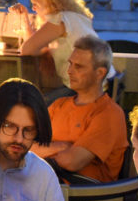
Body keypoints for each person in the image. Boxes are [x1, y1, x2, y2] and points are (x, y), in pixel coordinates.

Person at [32, 36, 127, 182]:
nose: (70, 71)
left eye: (79, 66)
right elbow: (25, 145)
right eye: (70, 64)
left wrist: (43, 151)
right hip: (51, 188)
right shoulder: (59, 105)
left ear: (100, 73)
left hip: (85, 197)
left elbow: (72, 162)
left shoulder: (109, 113)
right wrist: (62, 146)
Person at [11, 0, 97, 101]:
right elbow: (34, 46)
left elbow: (27, 49)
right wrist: (25, 19)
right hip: (101, 84)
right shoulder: (76, 17)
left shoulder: (59, 19)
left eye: (36, 3)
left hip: (84, 90)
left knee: (34, 108)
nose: (34, 8)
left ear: (50, 1)